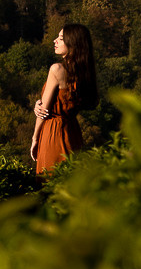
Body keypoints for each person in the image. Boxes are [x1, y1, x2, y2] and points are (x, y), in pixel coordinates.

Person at [29, 22, 97, 175]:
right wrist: (38, 103)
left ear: (72, 43)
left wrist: (35, 138)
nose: (55, 41)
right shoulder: (85, 73)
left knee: (50, 181)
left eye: (60, 38)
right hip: (73, 132)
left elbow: (44, 111)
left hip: (53, 132)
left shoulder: (57, 69)